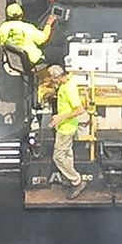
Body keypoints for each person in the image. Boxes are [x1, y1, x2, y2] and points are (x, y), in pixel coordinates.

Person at [0, 2, 57, 90]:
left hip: (16, 62)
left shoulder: (4, 27)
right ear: (21, 14)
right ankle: (46, 91)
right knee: (55, 56)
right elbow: (43, 39)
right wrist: (48, 24)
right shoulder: (28, 27)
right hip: (33, 61)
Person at [46, 64, 88, 194]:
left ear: (57, 77)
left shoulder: (68, 89)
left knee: (58, 157)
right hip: (67, 126)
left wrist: (60, 117)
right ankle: (69, 178)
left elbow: (80, 109)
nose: (52, 81)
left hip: (66, 128)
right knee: (67, 155)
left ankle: (76, 181)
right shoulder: (68, 83)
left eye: (53, 79)